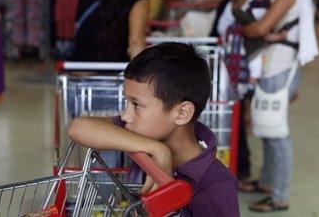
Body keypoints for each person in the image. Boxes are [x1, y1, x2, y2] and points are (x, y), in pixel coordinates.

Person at [68, 43, 240, 216]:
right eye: (127, 102)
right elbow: (78, 128)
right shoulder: (140, 136)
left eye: (136, 105)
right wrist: (158, 150)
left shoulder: (215, 186)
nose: (126, 115)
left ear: (181, 113)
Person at [242, 0, 319, 212]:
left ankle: (279, 195)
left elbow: (261, 27)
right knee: (267, 128)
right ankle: (267, 182)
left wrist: (246, 27)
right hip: (285, 69)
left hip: (278, 69)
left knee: (277, 133)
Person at [210, 0, 269, 185]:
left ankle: (242, 170)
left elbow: (260, 44)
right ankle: (236, 169)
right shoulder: (225, 5)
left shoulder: (258, 7)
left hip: (249, 75)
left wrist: (254, 81)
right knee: (232, 122)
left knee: (241, 124)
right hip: (227, 72)